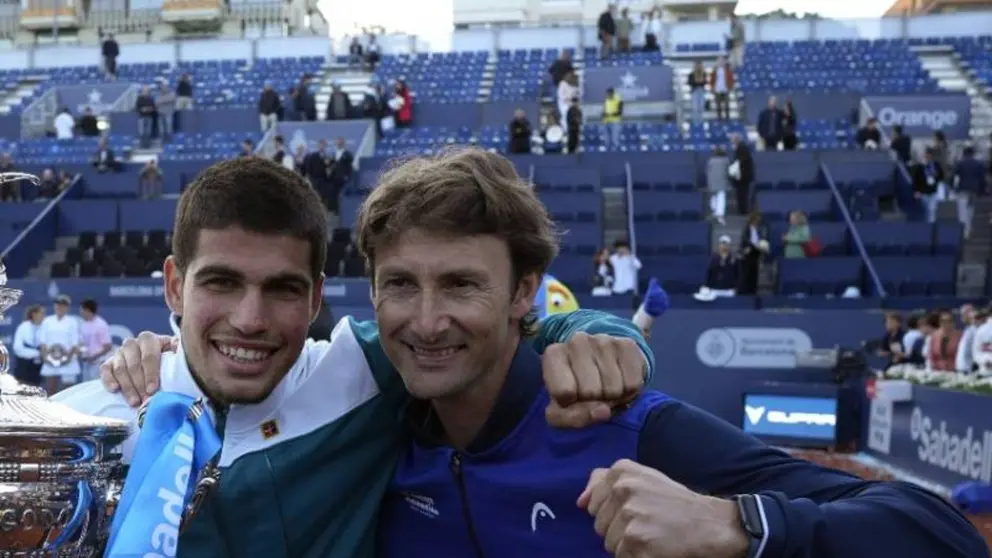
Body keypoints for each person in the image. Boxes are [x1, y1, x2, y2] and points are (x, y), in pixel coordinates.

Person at [353, 154, 985, 558]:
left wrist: (735, 526)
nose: (428, 322)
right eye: (401, 284)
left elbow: (944, 537)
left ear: (524, 291)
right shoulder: (365, 431)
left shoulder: (625, 428)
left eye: (462, 284)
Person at [63, 155, 655, 557]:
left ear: (317, 295)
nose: (250, 318)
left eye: (283, 289)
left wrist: (605, 337)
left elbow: (506, 329)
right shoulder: (91, 427)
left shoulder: (364, 372)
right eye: (220, 282)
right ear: (173, 286)